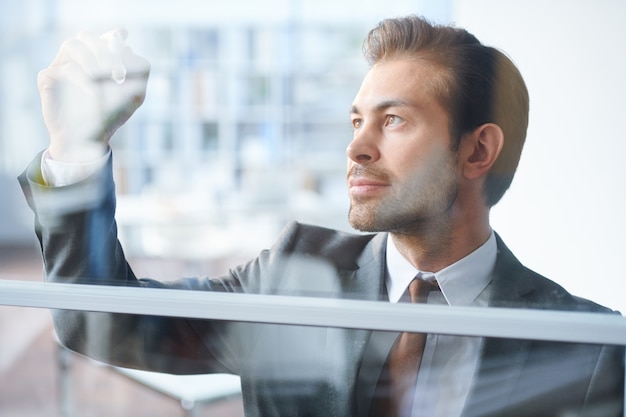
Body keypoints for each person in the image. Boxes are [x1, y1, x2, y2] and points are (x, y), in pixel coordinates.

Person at [19, 15, 624, 417]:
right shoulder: (295, 273)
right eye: (357, 120)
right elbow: (96, 321)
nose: (356, 147)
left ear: (476, 150)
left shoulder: (587, 346)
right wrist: (77, 149)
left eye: (392, 120)